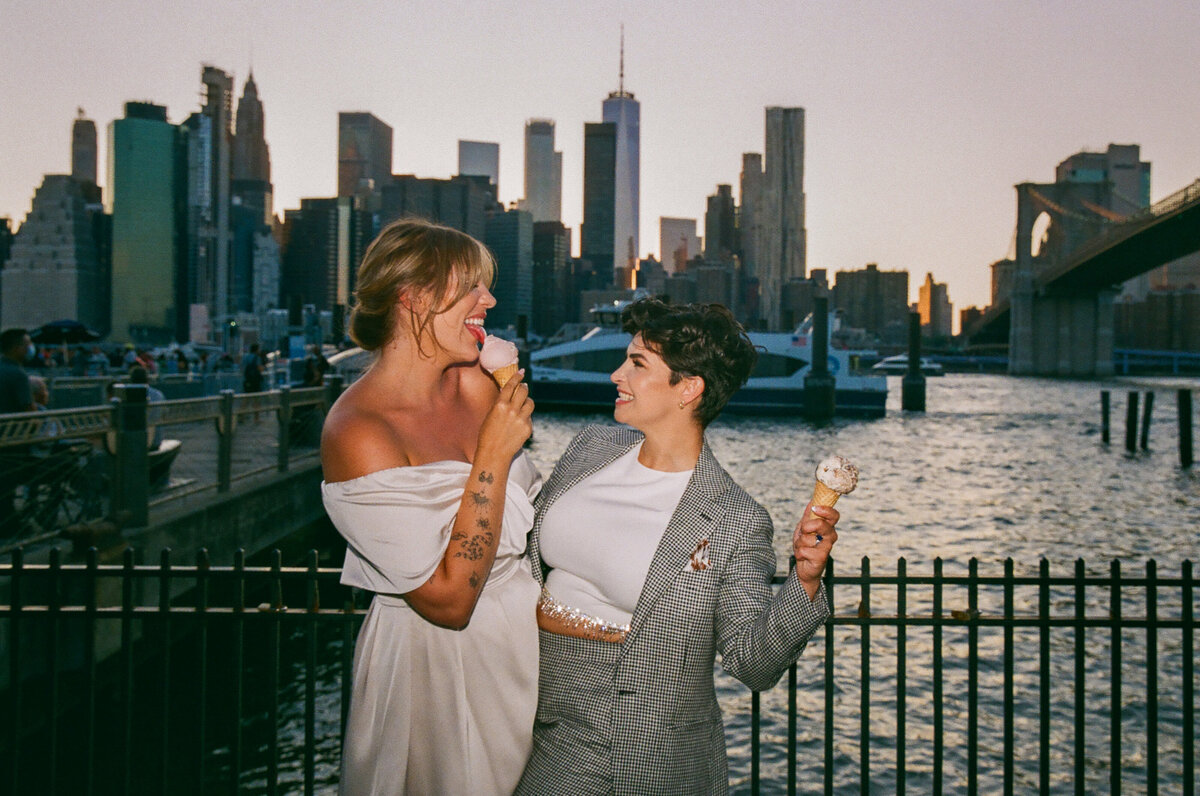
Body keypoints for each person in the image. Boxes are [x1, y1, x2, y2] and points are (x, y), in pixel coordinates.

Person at [516, 299, 840, 795]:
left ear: (688, 388)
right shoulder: (588, 450)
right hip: (540, 734)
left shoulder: (736, 519)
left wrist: (805, 581)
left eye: (637, 364)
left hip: (652, 760)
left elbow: (752, 662)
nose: (615, 375)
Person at [320, 218, 538, 795]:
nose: (487, 300)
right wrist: (492, 453)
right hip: (437, 667)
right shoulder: (359, 433)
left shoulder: (474, 382)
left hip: (526, 649)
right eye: (470, 285)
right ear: (410, 297)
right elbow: (446, 601)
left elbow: (532, 515)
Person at [0, 328, 35, 413]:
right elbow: (29, 411)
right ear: (16, 348)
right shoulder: (18, 375)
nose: (31, 348)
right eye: (28, 345)